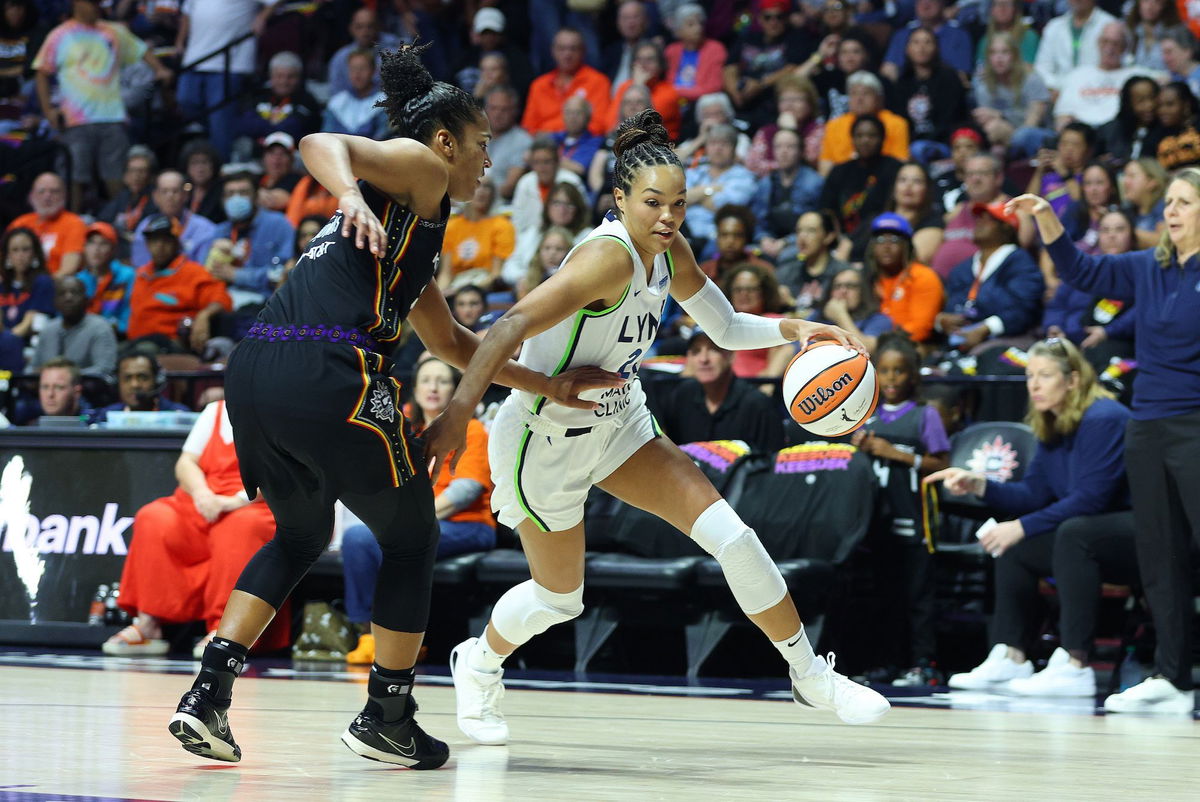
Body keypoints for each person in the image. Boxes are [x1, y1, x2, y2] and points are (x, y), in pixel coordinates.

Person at [166, 42, 621, 768]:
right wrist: (345, 192)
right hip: (326, 364)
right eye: (480, 146)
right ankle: (388, 713)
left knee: (298, 535)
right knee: (410, 538)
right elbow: (321, 141)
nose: (486, 163)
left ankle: (207, 692)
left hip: (254, 371)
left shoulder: (412, 235)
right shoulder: (421, 168)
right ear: (445, 140)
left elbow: (451, 341)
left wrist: (548, 386)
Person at [427, 109, 891, 747]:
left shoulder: (668, 249)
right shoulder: (602, 261)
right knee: (560, 598)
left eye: (677, 203)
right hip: (545, 438)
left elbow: (724, 327)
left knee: (734, 538)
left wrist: (798, 328)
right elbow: (505, 329)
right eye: (653, 204)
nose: (668, 217)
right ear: (619, 200)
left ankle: (810, 676)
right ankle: (478, 663)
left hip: (620, 421)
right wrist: (457, 415)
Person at [1010, 174, 1200, 713]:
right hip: (1148, 426)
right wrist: (1048, 218)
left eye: (1185, 202)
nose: (1172, 211)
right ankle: (1172, 678)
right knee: (1159, 556)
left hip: (1196, 426)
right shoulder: (1149, 267)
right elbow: (1083, 270)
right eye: (1168, 202)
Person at [930, 338, 1137, 698]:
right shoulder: (1052, 421)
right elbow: (1034, 495)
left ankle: (1076, 664)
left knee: (1069, 532)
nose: (1034, 385)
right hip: (1089, 533)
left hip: (1134, 533)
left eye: (1045, 376)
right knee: (1016, 545)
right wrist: (981, 485)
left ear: (1072, 380)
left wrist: (1021, 526)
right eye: (1029, 376)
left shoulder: (1105, 417)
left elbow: (1093, 499)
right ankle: (1011, 655)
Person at [340, 356, 497, 666]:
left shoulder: (472, 428)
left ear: (455, 389)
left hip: (467, 524)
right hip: (415, 520)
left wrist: (408, 521)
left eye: (442, 381)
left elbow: (465, 492)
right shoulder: (405, 427)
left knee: (400, 542)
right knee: (357, 537)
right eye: (426, 380)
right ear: (415, 387)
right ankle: (369, 636)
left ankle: (405, 643)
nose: (433, 388)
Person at [102, 398, 283, 658]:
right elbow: (186, 463)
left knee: (239, 528)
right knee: (154, 517)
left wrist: (235, 501)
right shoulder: (215, 410)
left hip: (255, 502)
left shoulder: (282, 411)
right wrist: (201, 494)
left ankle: (229, 631)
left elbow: (285, 473)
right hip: (204, 500)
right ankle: (148, 624)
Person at [854, 333, 949, 685]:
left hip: (916, 520)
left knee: (918, 597)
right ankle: (886, 662)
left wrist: (897, 454)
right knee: (883, 596)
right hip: (876, 522)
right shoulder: (865, 416)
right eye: (886, 371)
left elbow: (942, 463)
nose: (892, 379)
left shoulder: (926, 415)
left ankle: (924, 663)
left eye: (900, 371)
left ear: (913, 375)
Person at [33, 0, 172, 209]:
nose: (95, 7)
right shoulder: (59, 35)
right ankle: (73, 221)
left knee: (116, 175)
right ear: (76, 3)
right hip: (76, 119)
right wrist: (48, 111)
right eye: (91, 3)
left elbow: (142, 50)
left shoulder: (114, 31)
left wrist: (160, 69)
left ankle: (123, 219)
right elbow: (41, 72)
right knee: (75, 176)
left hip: (112, 115)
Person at [647, 329, 785, 452]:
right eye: (696, 351)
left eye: (713, 349)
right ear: (688, 358)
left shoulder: (758, 405)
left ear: (731, 355)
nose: (703, 359)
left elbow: (772, 468)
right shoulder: (682, 395)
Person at [175, 0, 278, 158]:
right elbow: (187, 14)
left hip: (230, 62)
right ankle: (227, 136)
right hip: (195, 56)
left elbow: (274, 2)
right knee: (186, 100)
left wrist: (262, 17)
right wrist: (180, 41)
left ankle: (221, 164)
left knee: (220, 118)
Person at [939, 202, 1044, 353]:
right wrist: (943, 320)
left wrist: (987, 328)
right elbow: (952, 305)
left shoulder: (1020, 262)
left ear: (1007, 228)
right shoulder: (962, 268)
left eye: (988, 219)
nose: (979, 223)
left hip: (1007, 341)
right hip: (957, 342)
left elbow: (1023, 310)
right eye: (978, 218)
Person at [206, 171, 295, 309]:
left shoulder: (278, 224)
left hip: (264, 303)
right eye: (230, 194)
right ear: (223, 200)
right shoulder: (220, 231)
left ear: (256, 196)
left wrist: (236, 275)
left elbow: (283, 272)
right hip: (224, 301)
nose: (236, 199)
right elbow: (206, 273)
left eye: (243, 193)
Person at [971, 32, 1054, 159]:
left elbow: (1033, 122)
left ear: (1014, 56)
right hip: (1001, 133)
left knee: (1022, 136)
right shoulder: (984, 86)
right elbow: (987, 123)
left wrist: (1002, 116)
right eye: (993, 53)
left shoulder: (1031, 79)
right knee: (991, 137)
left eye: (1005, 52)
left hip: (1039, 134)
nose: (999, 58)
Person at [818, 114, 902, 239]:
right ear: (852, 139)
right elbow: (826, 209)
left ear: (882, 138)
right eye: (859, 135)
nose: (865, 140)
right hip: (841, 239)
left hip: (880, 236)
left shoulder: (894, 169)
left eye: (872, 135)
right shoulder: (839, 171)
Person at [893, 26, 968, 165]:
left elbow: (951, 119)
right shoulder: (902, 81)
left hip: (943, 143)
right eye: (916, 42)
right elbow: (900, 119)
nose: (921, 47)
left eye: (927, 42)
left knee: (919, 149)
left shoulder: (949, 78)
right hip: (911, 144)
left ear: (936, 48)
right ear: (907, 49)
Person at [868, 213, 944, 344]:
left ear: (906, 245)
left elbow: (919, 330)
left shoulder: (922, 276)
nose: (886, 246)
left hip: (908, 348)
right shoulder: (868, 278)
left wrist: (880, 342)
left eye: (894, 240)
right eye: (880, 239)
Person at [817, 71, 910, 176]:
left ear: (879, 98)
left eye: (866, 93)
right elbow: (825, 165)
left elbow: (901, 163)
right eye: (854, 93)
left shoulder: (896, 124)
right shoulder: (834, 125)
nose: (859, 99)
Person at [522, 28, 610, 137]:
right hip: (544, 147)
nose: (567, 54)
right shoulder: (539, 85)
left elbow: (599, 125)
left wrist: (557, 135)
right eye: (561, 49)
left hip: (583, 145)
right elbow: (529, 127)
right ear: (552, 51)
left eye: (573, 49)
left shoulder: (598, 82)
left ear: (583, 51)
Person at [30, 274, 117, 377]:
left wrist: (65, 377)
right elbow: (32, 369)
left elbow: (104, 369)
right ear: (54, 302)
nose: (68, 298)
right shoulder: (48, 330)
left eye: (74, 292)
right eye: (62, 294)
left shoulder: (100, 328)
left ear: (86, 300)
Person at [131, 170, 218, 268]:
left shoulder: (205, 228)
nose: (170, 196)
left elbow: (205, 269)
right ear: (155, 197)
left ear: (185, 195)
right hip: (154, 281)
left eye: (175, 191)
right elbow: (140, 267)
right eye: (164, 191)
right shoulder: (146, 226)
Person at [440, 178, 515, 291]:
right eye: (477, 185)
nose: (482, 191)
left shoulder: (502, 225)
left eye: (487, 187)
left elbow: (496, 274)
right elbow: (446, 274)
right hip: (457, 284)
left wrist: (462, 291)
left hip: (486, 286)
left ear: (493, 194)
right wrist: (442, 293)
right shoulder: (452, 226)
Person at [6, 171, 87, 275]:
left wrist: (43, 287)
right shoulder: (20, 223)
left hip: (55, 286)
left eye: (54, 191)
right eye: (41, 191)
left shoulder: (74, 223)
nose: (47, 196)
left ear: (65, 195)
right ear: (31, 196)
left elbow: (69, 268)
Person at [92, 352, 191, 422]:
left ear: (157, 380)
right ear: (117, 383)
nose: (135, 385)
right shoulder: (106, 416)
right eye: (127, 378)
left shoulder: (178, 415)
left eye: (143, 377)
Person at [76, 221, 135, 334]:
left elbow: (130, 313)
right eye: (91, 243)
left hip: (118, 336)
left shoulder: (127, 276)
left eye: (103, 243)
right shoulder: (79, 280)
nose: (96, 249)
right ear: (84, 248)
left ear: (113, 250)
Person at [818, 266, 893, 353]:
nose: (843, 291)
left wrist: (840, 315)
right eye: (837, 286)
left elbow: (867, 349)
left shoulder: (879, 320)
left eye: (850, 286)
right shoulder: (818, 316)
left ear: (862, 291)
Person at [663, 3, 726, 106]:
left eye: (700, 23)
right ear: (678, 31)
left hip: (701, 104)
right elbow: (665, 83)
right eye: (691, 24)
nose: (698, 28)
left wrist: (675, 92)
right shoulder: (671, 51)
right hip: (674, 103)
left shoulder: (715, 49)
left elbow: (714, 87)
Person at [321, 49, 389, 139]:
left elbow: (383, 137)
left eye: (362, 68)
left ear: (373, 71)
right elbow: (325, 137)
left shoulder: (384, 101)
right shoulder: (337, 102)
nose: (357, 74)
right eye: (353, 69)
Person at [1096, 75, 1163, 163]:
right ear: (1128, 104)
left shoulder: (1167, 129)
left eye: (1153, 98)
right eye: (1141, 100)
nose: (1149, 105)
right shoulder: (1108, 131)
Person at [1121, 156, 1167, 248]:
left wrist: (1124, 230)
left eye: (1131, 176)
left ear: (1152, 182)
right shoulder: (1128, 210)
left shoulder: (1164, 206)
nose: (1125, 182)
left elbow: (1164, 243)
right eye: (1125, 176)